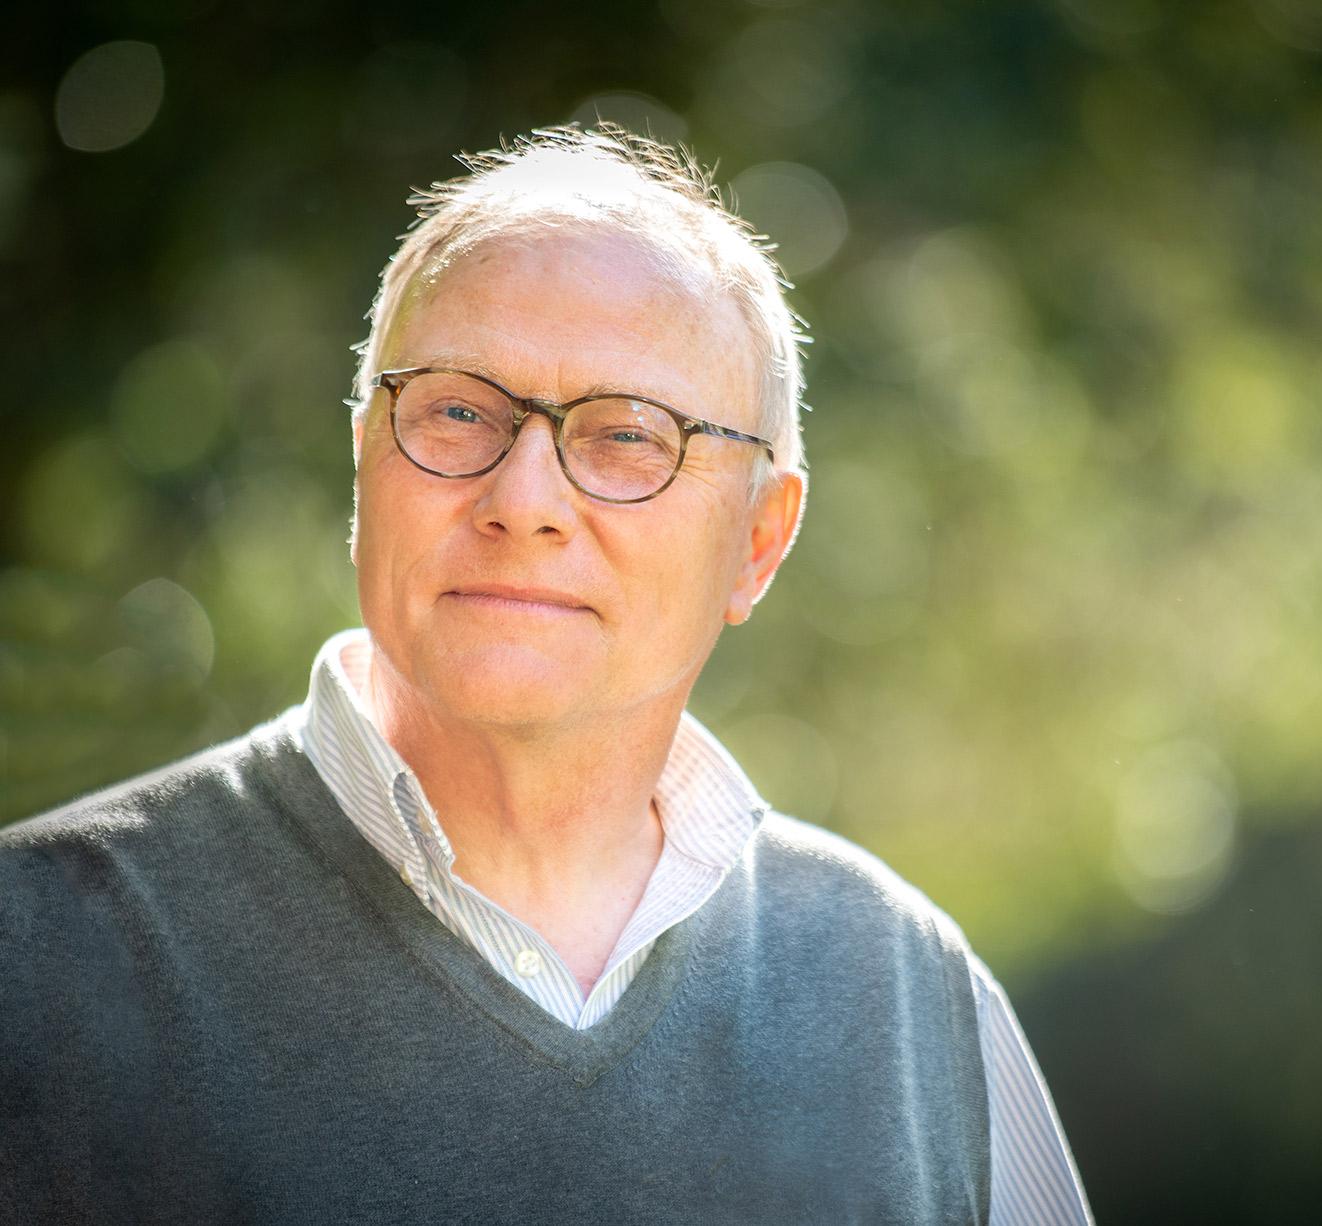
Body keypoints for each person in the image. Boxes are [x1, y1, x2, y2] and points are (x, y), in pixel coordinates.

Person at [0, 126, 1090, 1224]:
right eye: (459, 410)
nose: (522, 497)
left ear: (759, 541)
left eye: (627, 435)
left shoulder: (907, 993)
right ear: (366, 462)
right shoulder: (34, 957)